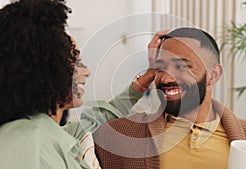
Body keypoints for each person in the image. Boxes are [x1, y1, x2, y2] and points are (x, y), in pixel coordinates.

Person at [93, 28, 246, 169]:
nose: (166, 78)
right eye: (160, 67)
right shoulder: (126, 134)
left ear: (213, 75)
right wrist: (146, 76)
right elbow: (74, 135)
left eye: (182, 66)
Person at [0, 0, 154, 169]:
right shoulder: (29, 147)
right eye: (76, 61)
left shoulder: (47, 133)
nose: (86, 71)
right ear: (47, 69)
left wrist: (145, 79)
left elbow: (98, 119)